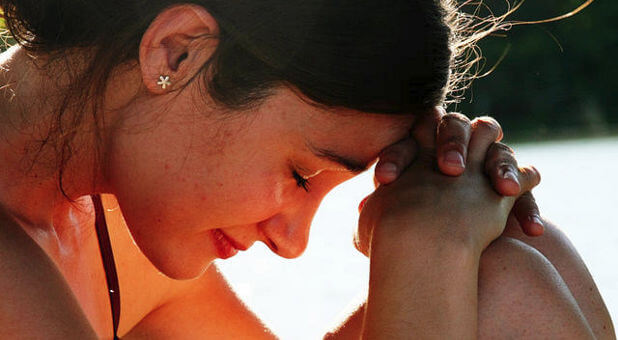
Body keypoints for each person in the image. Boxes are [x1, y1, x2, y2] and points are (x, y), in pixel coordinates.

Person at [0, 0, 613, 339]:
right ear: (177, 52)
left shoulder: (116, 225)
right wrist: (425, 250)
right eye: (300, 175)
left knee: (506, 270)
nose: (291, 243)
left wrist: (447, 200)